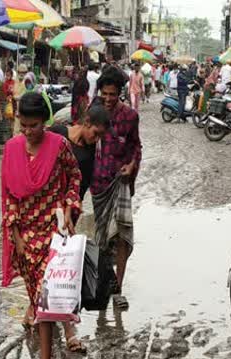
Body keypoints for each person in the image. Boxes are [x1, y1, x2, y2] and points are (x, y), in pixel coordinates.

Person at [1, 92, 83, 359]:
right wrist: (16, 237)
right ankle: (63, 339)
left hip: (52, 233)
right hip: (24, 238)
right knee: (38, 302)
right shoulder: (10, 150)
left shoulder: (59, 146)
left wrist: (70, 207)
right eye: (22, 126)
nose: (27, 132)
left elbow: (74, 175)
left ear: (45, 122)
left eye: (33, 126)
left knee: (46, 305)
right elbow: (9, 194)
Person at [92, 68, 141, 310]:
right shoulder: (94, 113)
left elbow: (136, 147)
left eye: (112, 94)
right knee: (102, 239)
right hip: (98, 185)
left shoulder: (130, 117)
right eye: (104, 94)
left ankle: (118, 288)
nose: (108, 99)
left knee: (121, 236)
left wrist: (131, 165)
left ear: (120, 93)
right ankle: (104, 285)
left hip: (120, 183)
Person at [49, 104, 110, 200]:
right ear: (87, 122)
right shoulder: (57, 133)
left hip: (66, 203)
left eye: (100, 136)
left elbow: (82, 185)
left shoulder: (90, 152)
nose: (96, 139)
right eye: (96, 133)